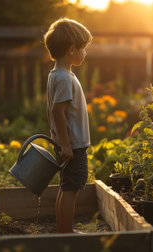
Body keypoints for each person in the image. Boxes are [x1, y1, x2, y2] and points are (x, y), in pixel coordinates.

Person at [43, 18, 92, 233]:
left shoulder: (56, 75)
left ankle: (63, 230)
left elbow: (50, 109)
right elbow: (57, 110)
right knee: (72, 187)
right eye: (83, 49)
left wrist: (55, 135)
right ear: (72, 49)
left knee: (66, 187)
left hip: (66, 143)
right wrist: (66, 145)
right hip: (73, 145)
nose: (85, 53)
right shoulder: (65, 79)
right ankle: (67, 232)